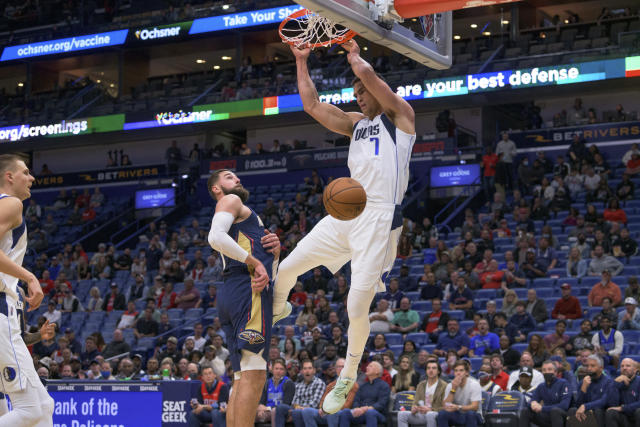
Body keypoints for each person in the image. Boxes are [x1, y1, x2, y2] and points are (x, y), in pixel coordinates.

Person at [272, 39, 416, 414]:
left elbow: (369, 76)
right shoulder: (355, 125)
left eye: (363, 91)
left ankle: (348, 374)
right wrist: (301, 61)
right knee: (286, 268)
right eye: (355, 93)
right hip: (346, 214)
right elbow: (313, 105)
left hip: (381, 218)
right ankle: (277, 307)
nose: (359, 97)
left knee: (356, 304)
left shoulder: (401, 118)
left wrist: (356, 60)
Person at [206, 169, 281, 427]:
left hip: (232, 291)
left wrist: (275, 254)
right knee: (255, 375)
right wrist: (254, 262)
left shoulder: (243, 214)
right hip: (248, 291)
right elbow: (215, 237)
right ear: (217, 188)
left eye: (236, 176)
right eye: (228, 177)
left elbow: (265, 264)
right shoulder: (231, 201)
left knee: (241, 377)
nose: (236, 179)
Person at [0, 154, 54, 426]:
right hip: (0, 311)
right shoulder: (10, 203)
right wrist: (29, 276)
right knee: (32, 408)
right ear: (9, 176)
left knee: (44, 406)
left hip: (5, 311)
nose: (31, 177)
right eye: (25, 172)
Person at [291, 358, 356, 427]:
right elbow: (322, 400)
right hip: (325, 411)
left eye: (343, 366)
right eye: (338, 367)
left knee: (333, 412)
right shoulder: (331, 385)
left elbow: (347, 404)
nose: (340, 369)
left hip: (339, 412)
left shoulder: (353, 385)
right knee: (307, 411)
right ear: (335, 369)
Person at [335, 361, 389, 426]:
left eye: (370, 366)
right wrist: (357, 408)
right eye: (368, 366)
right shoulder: (363, 386)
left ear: (377, 371)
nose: (367, 367)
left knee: (370, 413)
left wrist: (365, 409)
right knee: (345, 412)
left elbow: (381, 404)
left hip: (378, 414)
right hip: (361, 413)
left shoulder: (384, 386)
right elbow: (356, 400)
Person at [520, 360, 571, 427]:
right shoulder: (541, 386)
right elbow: (533, 400)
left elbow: (564, 405)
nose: (547, 372)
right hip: (546, 416)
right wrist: (532, 403)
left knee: (555, 411)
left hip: (562, 416)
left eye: (549, 369)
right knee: (525, 411)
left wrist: (542, 408)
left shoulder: (564, 383)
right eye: (544, 370)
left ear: (555, 372)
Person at [568, 354, 616, 425]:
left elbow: (604, 402)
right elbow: (578, 405)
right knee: (572, 410)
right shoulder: (583, 382)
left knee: (598, 410)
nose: (589, 368)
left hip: (601, 413)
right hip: (586, 413)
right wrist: (583, 388)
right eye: (587, 366)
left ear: (601, 368)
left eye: (592, 366)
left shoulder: (609, 382)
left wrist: (585, 406)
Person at [398, 360, 447, 427]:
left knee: (430, 414)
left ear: (438, 371)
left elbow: (445, 407)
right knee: (402, 414)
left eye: (434, 368)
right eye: (428, 368)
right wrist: (414, 408)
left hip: (435, 414)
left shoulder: (444, 386)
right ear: (426, 371)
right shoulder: (421, 385)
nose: (431, 370)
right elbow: (415, 403)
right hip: (421, 414)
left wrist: (431, 409)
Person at [437, 360, 483, 427]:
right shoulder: (450, 385)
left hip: (475, 415)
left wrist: (458, 407)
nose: (458, 373)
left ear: (466, 373)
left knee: (470, 414)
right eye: (456, 371)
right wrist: (453, 389)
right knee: (442, 414)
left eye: (461, 370)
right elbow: (445, 406)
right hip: (458, 414)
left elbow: (475, 407)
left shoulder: (474, 384)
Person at [256, 359, 296, 426]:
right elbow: (262, 401)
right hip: (266, 411)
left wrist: (268, 409)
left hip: (282, 411)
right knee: (249, 413)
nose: (278, 371)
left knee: (275, 411)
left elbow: (286, 403)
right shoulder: (267, 383)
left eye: (281, 369)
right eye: (276, 368)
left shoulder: (289, 383)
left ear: (285, 371)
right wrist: (260, 409)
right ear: (272, 370)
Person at [606, 357, 640, 427]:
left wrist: (623, 408)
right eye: (622, 366)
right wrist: (615, 384)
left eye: (628, 366)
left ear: (635, 370)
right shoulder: (616, 381)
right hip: (624, 419)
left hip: (636, 416)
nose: (624, 368)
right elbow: (612, 404)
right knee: (611, 413)